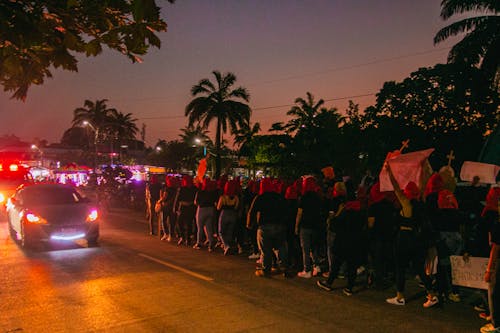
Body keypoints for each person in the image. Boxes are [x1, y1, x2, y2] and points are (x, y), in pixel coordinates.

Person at [384, 162, 438, 307]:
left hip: (404, 238)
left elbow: (395, 187)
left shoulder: (406, 203)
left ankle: (400, 296)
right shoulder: (421, 201)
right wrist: (423, 168)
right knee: (419, 268)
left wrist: (390, 171)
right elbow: (423, 184)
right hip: (417, 239)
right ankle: (432, 294)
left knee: (400, 267)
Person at [317, 182, 367, 296]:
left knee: (336, 263)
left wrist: (338, 212)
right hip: (355, 241)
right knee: (352, 266)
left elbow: (334, 224)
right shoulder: (360, 212)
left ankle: (329, 283)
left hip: (343, 241)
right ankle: (349, 287)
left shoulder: (346, 212)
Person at [247, 178, 290, 277]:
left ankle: (266, 269)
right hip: (280, 225)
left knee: (265, 249)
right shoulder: (279, 197)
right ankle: (284, 267)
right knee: (280, 247)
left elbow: (252, 211)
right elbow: (287, 210)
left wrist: (249, 224)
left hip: (265, 226)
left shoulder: (260, 197)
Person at [295, 176, 323, 278]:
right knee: (314, 246)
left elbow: (299, 213)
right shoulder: (318, 197)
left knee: (305, 248)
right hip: (315, 225)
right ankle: (317, 266)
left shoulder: (304, 197)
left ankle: (307, 270)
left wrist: (296, 226)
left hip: (305, 225)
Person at [481, 187, 500, 333]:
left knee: (493, 291)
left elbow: (495, 247)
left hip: (498, 262)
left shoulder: (497, 223)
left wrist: (489, 269)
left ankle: (496, 324)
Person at [193, 178, 218, 251]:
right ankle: (210, 244)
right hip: (211, 209)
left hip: (202, 209)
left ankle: (198, 243)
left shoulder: (200, 192)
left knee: (200, 228)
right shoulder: (213, 192)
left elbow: (196, 202)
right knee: (209, 228)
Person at [217, 179, 240, 255]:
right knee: (229, 231)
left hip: (224, 214)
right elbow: (236, 207)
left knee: (221, 232)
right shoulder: (236, 197)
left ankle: (226, 246)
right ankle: (228, 245)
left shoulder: (223, 197)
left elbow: (218, 207)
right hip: (233, 214)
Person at [173, 175, 197, 246]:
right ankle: (183, 237)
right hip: (183, 208)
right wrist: (175, 207)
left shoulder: (194, 188)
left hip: (190, 208)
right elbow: (177, 199)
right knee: (180, 223)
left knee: (189, 224)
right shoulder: (182, 189)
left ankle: (187, 239)